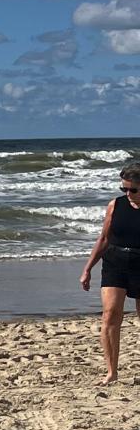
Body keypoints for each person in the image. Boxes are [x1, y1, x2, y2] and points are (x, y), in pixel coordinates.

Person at [80, 162, 140, 385]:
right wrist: (87, 269)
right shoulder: (115, 205)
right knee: (110, 315)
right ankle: (111, 373)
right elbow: (104, 239)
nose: (128, 194)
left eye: (133, 189)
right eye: (124, 189)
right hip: (115, 261)